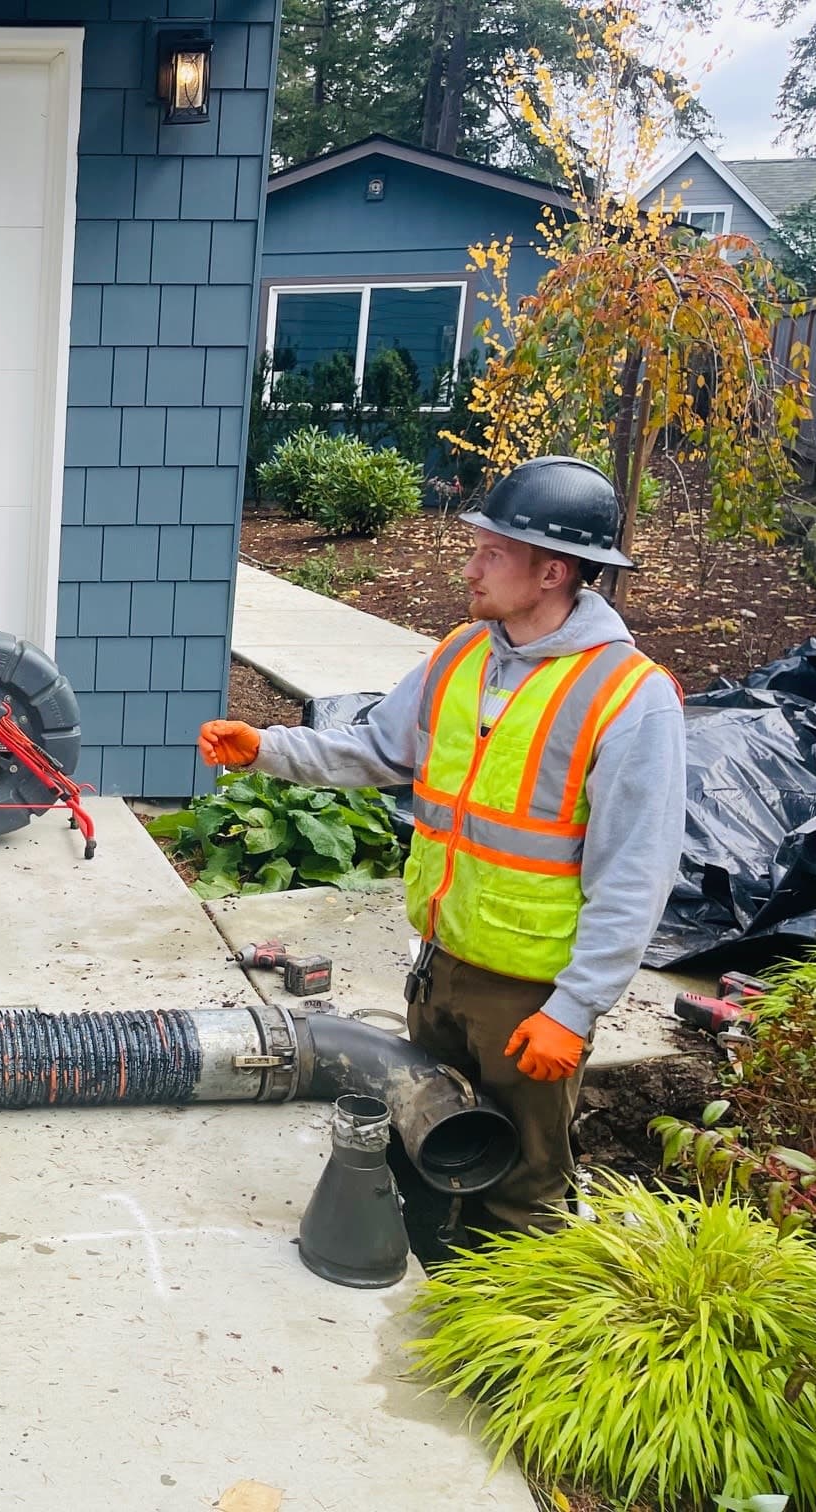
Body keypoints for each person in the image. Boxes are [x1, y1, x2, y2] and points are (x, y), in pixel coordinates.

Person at [197, 457, 685, 1232]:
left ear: (552, 571)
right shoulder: (461, 654)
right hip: (441, 967)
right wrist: (266, 749)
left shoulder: (628, 696)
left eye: (492, 552)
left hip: (530, 993)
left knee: (523, 1185)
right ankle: (429, 1280)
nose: (470, 567)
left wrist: (575, 1006)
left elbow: (637, 871)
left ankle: (514, 1339)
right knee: (428, 1144)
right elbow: (380, 750)